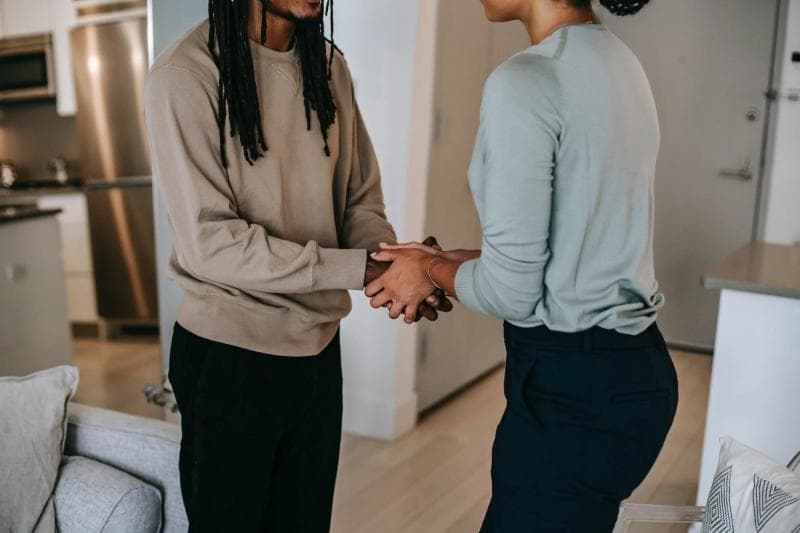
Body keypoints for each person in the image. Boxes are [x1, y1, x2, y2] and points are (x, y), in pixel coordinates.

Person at [366, 0, 678, 530]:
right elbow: (571, 249)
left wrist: (424, 272)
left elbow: (513, 292)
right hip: (632, 371)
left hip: (571, 393)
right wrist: (440, 258)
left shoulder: (525, 80)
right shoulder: (619, 61)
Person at [145, 0, 449, 530]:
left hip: (316, 353)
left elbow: (360, 199)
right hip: (229, 359)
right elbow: (211, 243)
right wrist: (366, 271)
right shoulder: (185, 74)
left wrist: (396, 269)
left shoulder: (327, 66)